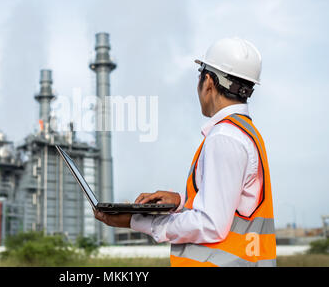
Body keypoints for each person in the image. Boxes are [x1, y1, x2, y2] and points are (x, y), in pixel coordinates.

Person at [94, 37, 276, 267]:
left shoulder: (224, 138)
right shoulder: (246, 132)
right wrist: (183, 200)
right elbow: (232, 204)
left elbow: (210, 224)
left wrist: (137, 221)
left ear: (208, 81)